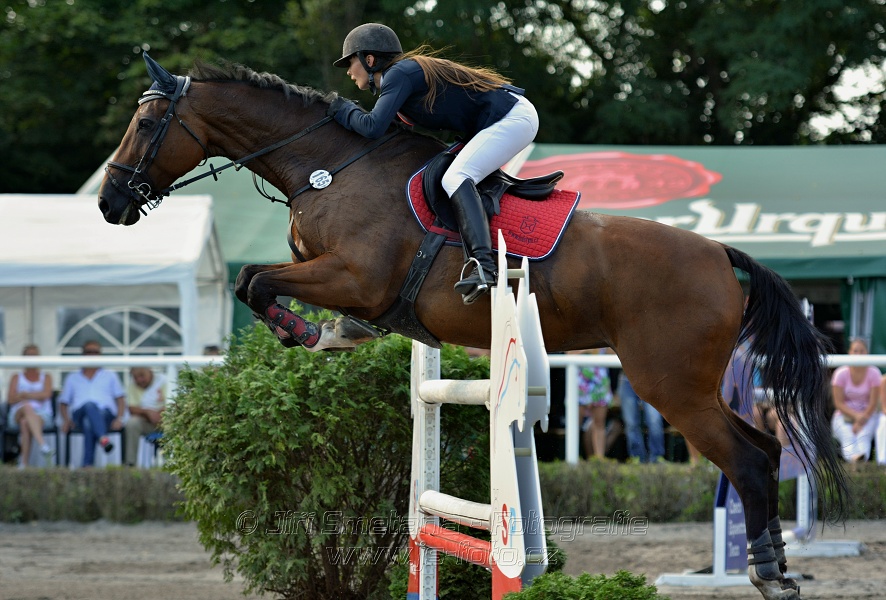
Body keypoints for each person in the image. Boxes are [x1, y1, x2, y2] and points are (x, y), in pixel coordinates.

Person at [329, 23, 539, 304]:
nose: (348, 71)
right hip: (502, 119)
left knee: (455, 177)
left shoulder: (397, 75)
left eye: (351, 62)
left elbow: (371, 127)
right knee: (448, 172)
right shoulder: (398, 80)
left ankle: (485, 267)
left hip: (513, 118)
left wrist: (341, 109)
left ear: (369, 60)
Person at [58, 340, 126, 467]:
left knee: (89, 422)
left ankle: (87, 466)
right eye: (88, 352)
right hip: (79, 414)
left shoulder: (110, 375)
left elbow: (121, 399)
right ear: (83, 354)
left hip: (106, 415)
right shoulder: (72, 377)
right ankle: (103, 439)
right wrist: (66, 420)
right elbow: (63, 403)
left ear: (100, 354)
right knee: (89, 405)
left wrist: (119, 418)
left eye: (95, 352)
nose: (92, 355)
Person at [831, 337, 881, 463]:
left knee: (863, 436)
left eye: (862, 351)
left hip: (868, 415)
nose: (858, 354)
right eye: (855, 351)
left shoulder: (874, 373)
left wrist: (861, 419)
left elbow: (873, 402)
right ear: (849, 352)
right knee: (848, 435)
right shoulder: (840, 373)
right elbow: (838, 403)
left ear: (867, 353)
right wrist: (856, 416)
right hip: (844, 415)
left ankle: (860, 461)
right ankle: (854, 461)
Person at [6, 344, 54, 467]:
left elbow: (47, 394)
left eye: (34, 355)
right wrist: (34, 396)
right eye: (29, 355)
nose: (32, 358)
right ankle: (42, 444)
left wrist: (25, 395)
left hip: (42, 415)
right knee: (27, 407)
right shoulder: (16, 377)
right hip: (17, 413)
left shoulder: (46, 376)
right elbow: (10, 399)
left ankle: (23, 463)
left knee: (25, 422)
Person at [573, 349, 618, 459]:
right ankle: (572, 461)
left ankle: (599, 462)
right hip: (579, 382)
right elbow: (569, 353)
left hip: (600, 383)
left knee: (599, 424)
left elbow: (614, 352)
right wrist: (590, 348)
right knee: (574, 425)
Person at [617, 373, 665, 463]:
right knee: (631, 424)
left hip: (651, 379)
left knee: (655, 421)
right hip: (627, 380)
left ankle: (656, 457)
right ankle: (637, 458)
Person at [123, 367, 166, 467]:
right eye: (135, 377)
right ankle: (131, 464)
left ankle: (175, 464)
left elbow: (173, 404)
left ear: (150, 371)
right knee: (132, 423)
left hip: (166, 421)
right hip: (146, 422)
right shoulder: (132, 386)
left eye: (142, 376)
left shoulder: (164, 381)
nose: (139, 380)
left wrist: (160, 414)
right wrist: (147, 412)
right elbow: (131, 408)